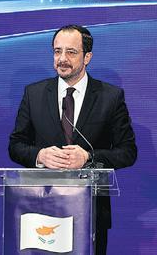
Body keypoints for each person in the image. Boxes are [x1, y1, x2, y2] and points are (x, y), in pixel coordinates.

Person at [9, 25, 137, 255]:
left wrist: (88, 157)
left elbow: (128, 152)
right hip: (40, 209)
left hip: (89, 211)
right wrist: (40, 156)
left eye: (71, 52)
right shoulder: (34, 94)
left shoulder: (110, 97)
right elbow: (16, 145)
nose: (62, 59)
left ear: (87, 57)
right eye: (57, 51)